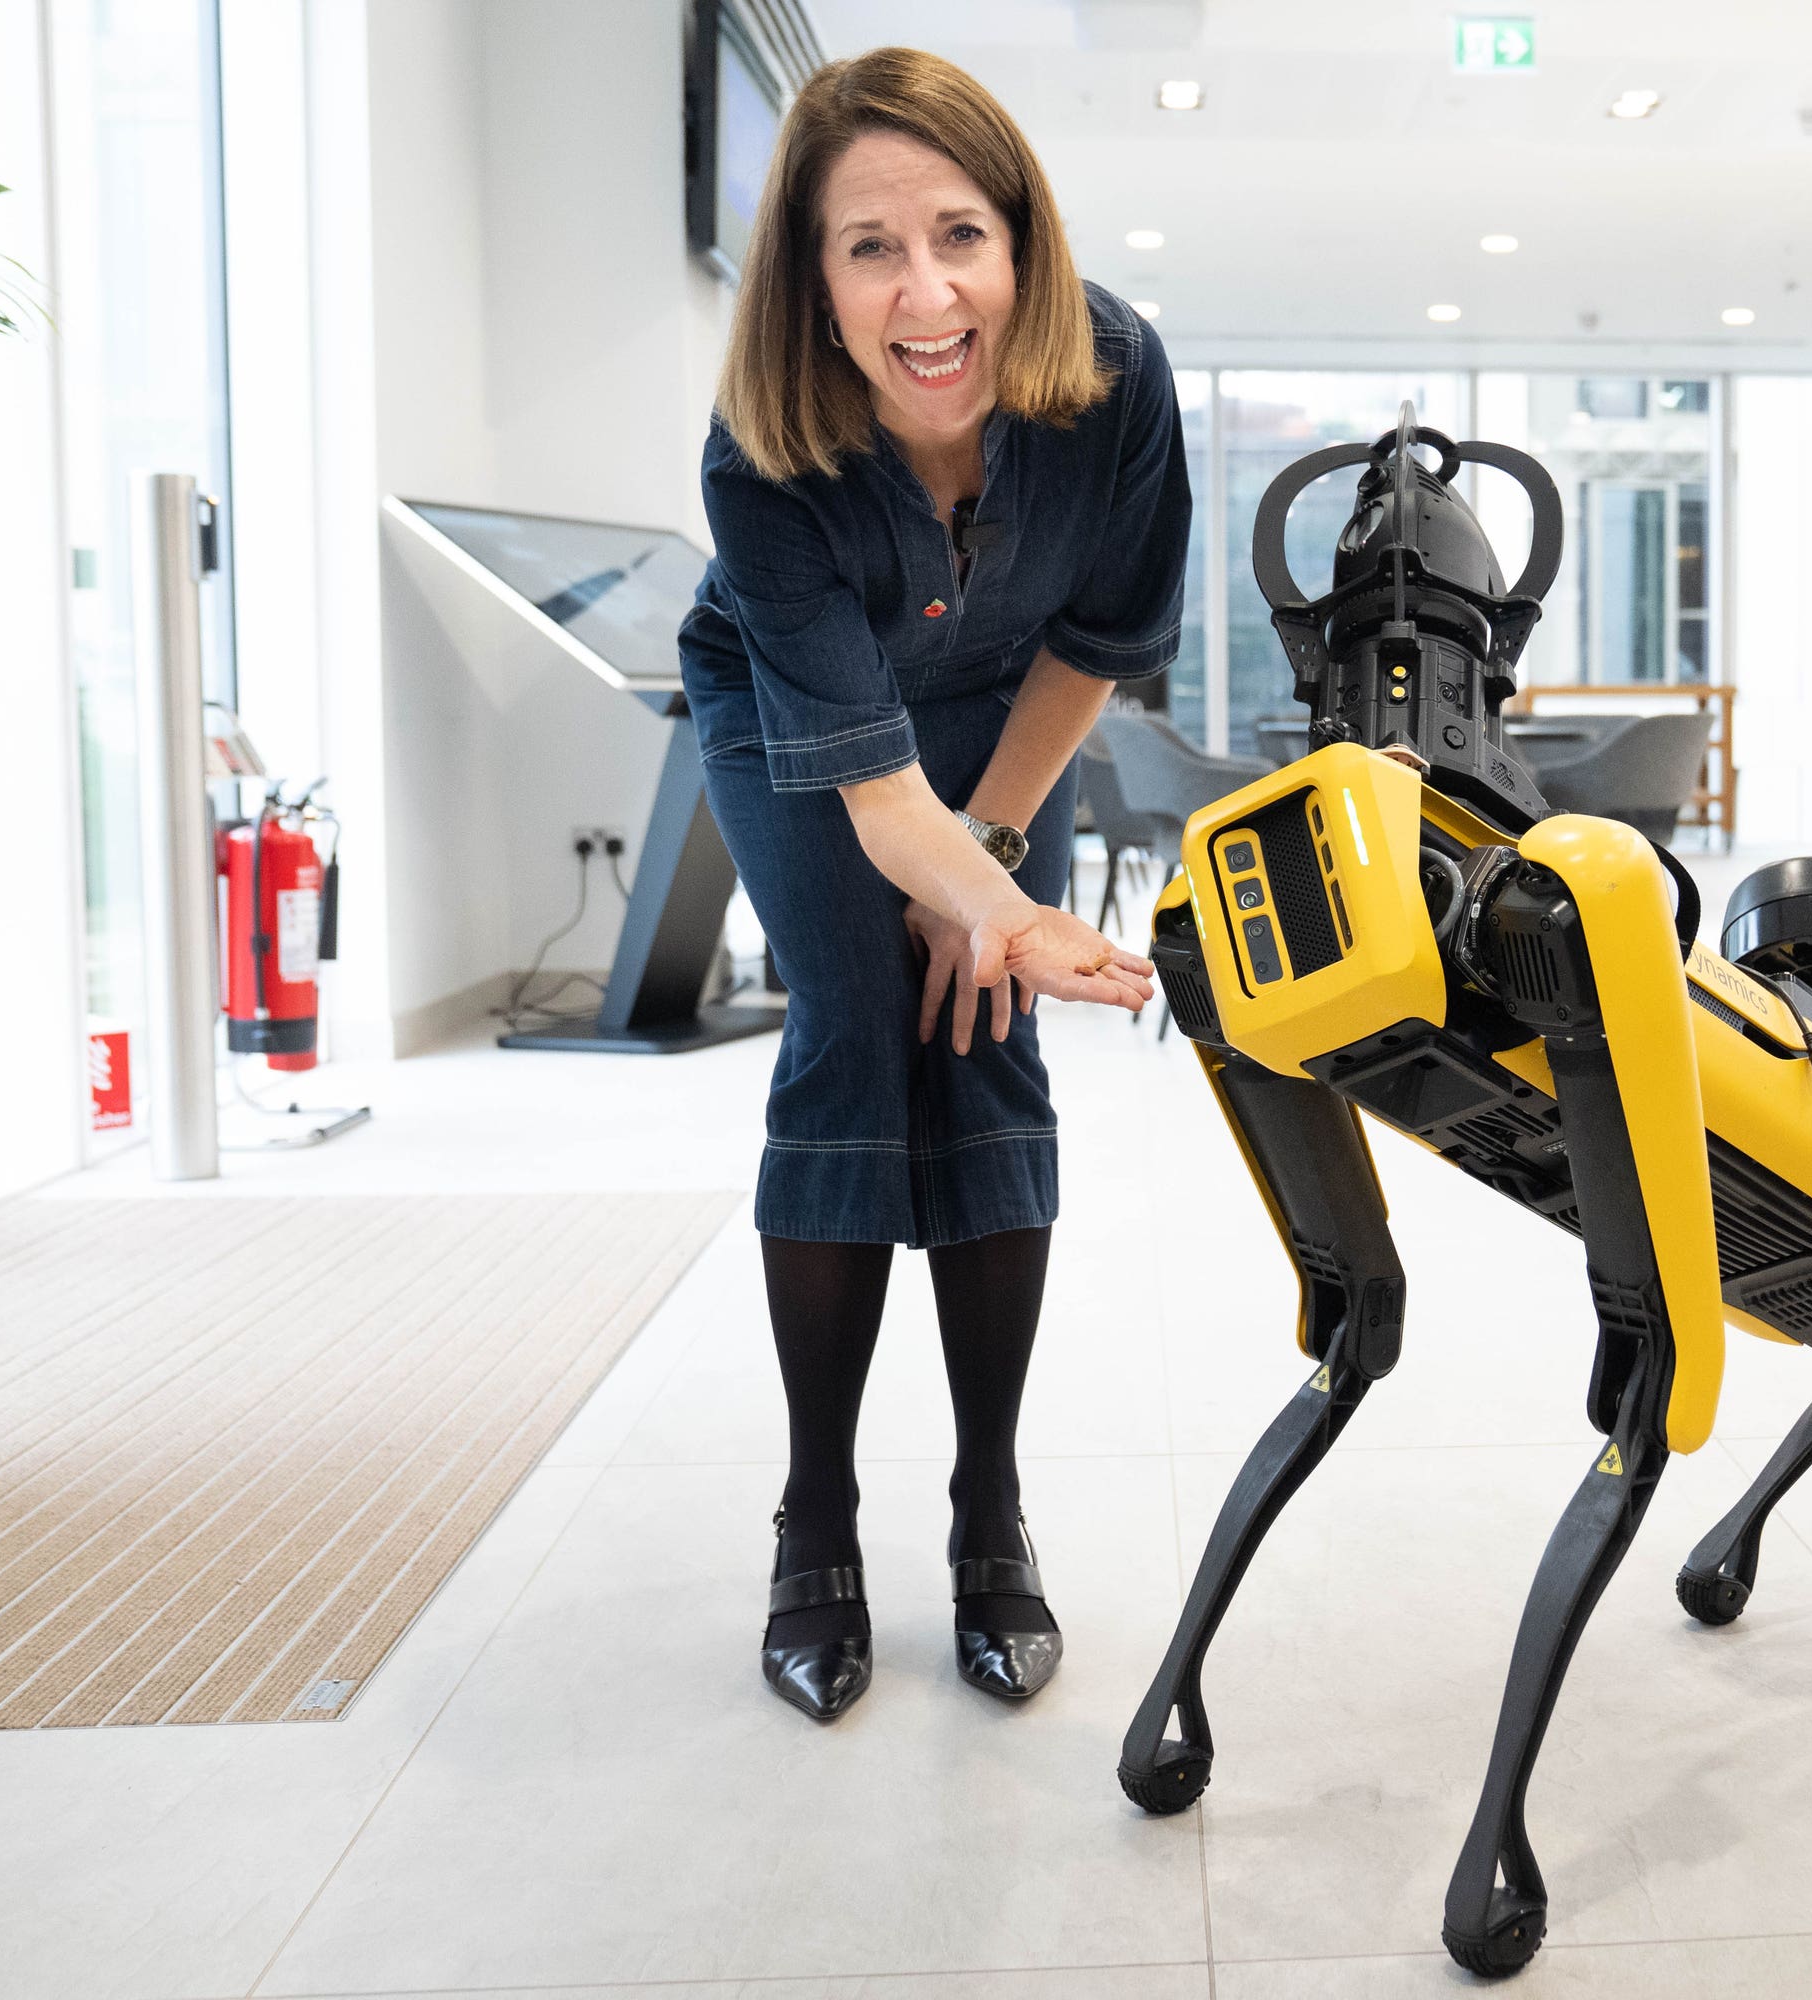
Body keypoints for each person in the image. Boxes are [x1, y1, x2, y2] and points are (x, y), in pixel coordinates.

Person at [678, 46, 1182, 1723]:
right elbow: (873, 786)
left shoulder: (1116, 377)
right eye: (872, 248)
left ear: (1021, 240)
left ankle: (989, 1506)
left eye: (961, 233)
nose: (928, 293)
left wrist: (998, 878)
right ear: (814, 287)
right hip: (792, 715)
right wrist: (991, 906)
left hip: (995, 709)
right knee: (854, 1019)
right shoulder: (764, 462)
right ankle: (815, 1516)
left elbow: (1099, 639)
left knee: (980, 1025)